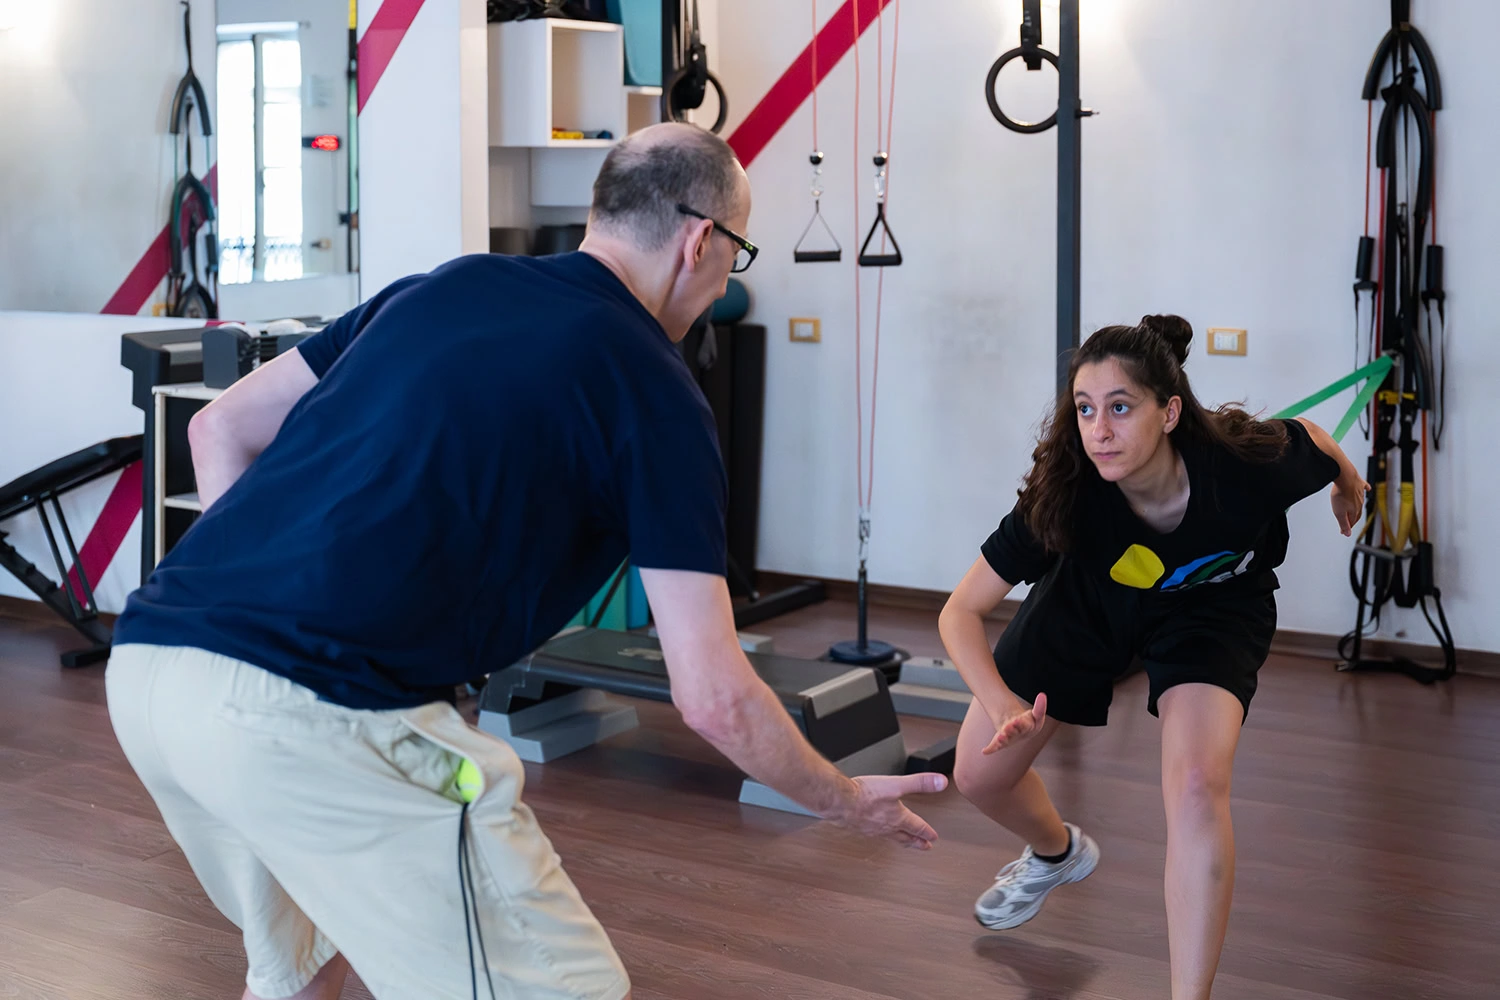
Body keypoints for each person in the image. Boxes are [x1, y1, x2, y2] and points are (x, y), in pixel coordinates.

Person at [105, 122, 945, 1000]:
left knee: (305, 969)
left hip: (157, 668)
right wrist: (844, 799)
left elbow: (218, 427)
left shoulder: (443, 285)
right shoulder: (654, 389)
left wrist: (256, 601)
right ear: (702, 241)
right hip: (314, 710)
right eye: (738, 251)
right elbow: (713, 697)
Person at [938, 315, 1366, 1000]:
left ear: (1168, 413)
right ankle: (1055, 852)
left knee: (1197, 784)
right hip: (1086, 602)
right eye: (1085, 409)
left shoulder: (1241, 465)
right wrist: (1000, 702)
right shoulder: (1067, 495)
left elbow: (1313, 438)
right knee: (978, 777)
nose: (1098, 430)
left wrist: (1347, 481)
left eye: (1120, 407)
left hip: (1209, 610)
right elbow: (959, 612)